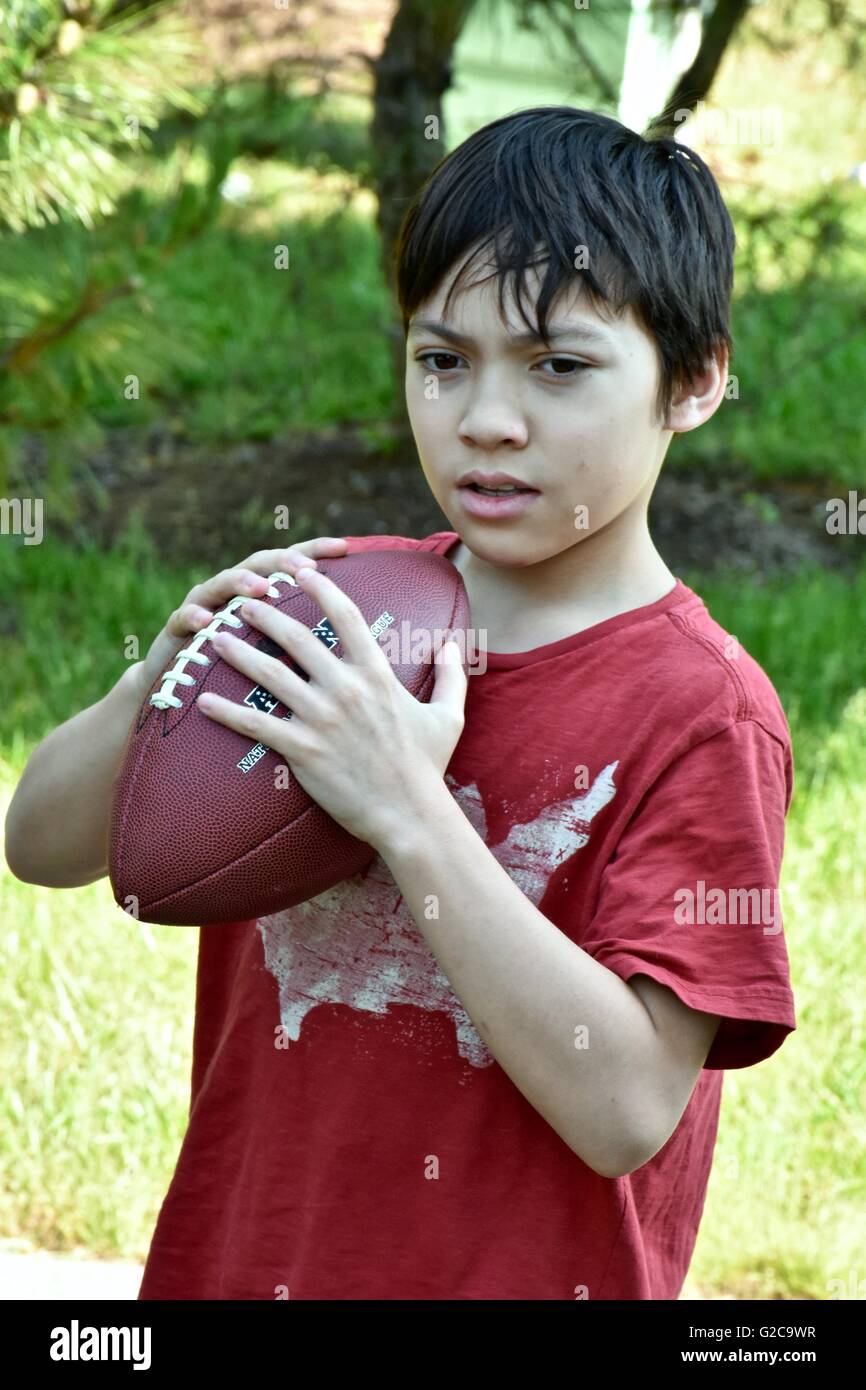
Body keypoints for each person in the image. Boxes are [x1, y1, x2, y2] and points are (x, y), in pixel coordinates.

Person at [6, 106, 796, 1300]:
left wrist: (405, 808)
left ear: (693, 382)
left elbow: (627, 1105)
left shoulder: (700, 710)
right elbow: (42, 846)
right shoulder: (340, 616)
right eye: (442, 359)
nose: (485, 417)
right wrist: (156, 684)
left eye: (558, 366)